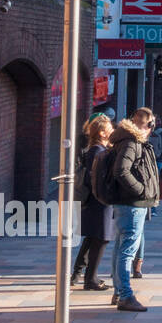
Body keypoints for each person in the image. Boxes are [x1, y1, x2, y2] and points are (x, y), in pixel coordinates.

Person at [108, 108, 161, 312]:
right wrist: (140, 190)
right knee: (127, 250)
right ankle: (126, 296)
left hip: (127, 203)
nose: (152, 129)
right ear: (146, 124)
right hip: (132, 204)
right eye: (151, 125)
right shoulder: (131, 142)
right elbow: (121, 170)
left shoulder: (128, 140)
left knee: (121, 248)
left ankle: (119, 291)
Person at [70, 115, 113, 290]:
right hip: (98, 203)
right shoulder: (97, 151)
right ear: (102, 133)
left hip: (97, 202)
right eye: (110, 128)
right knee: (100, 239)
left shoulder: (99, 149)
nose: (112, 130)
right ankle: (90, 279)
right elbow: (95, 179)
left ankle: (86, 276)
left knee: (95, 238)